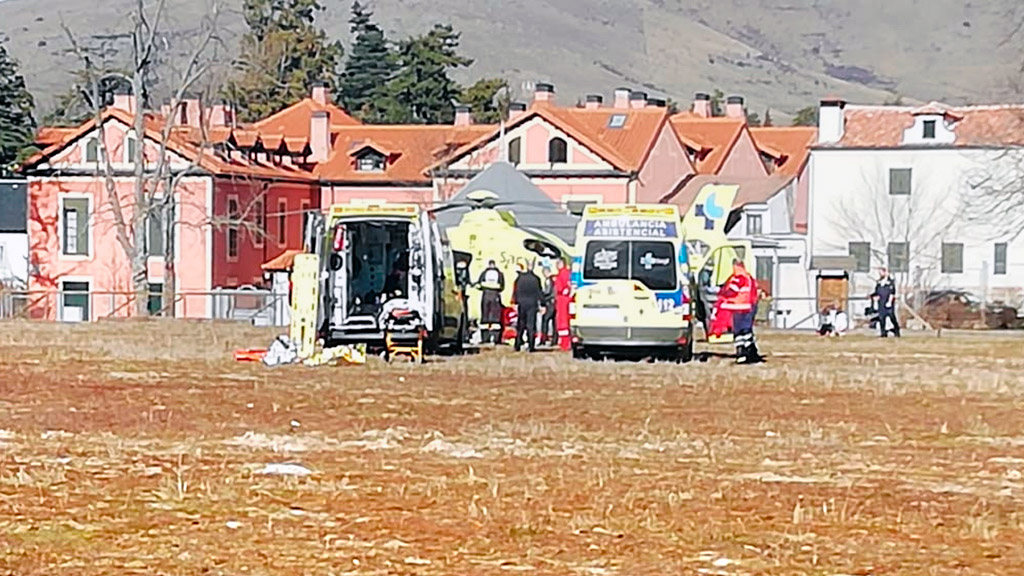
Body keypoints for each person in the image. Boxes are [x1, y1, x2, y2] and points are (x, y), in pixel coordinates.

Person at [718, 259, 762, 364]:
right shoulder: (748, 277)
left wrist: (722, 292)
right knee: (747, 331)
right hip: (748, 307)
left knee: (739, 332)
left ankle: (742, 353)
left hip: (738, 308)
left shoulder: (738, 277)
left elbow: (732, 290)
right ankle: (751, 352)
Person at [512, 262, 543, 352]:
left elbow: (516, 291)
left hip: (522, 304)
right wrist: (542, 304)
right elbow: (539, 292)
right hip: (532, 304)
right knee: (531, 325)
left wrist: (515, 302)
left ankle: (517, 344)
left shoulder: (520, 279)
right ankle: (531, 345)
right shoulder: (536, 279)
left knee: (520, 324)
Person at [476, 260, 505, 344]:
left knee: (485, 317)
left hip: (486, 296)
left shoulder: (484, 273)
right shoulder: (499, 274)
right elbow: (502, 286)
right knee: (495, 318)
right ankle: (496, 337)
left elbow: (479, 284)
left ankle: (485, 338)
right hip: (495, 296)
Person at [871, 267, 901, 338]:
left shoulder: (890, 282)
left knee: (892, 317)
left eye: (881, 272)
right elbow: (877, 291)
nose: (880, 274)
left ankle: (896, 330)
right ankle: (883, 333)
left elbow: (892, 292)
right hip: (881, 303)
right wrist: (874, 296)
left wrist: (889, 302)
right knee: (882, 318)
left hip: (888, 302)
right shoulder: (879, 282)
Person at [553, 259, 572, 351]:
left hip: (562, 301)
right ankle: (566, 341)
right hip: (566, 300)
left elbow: (560, 287)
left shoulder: (562, 274)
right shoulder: (567, 273)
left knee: (562, 321)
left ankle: (565, 342)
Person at [540, 267, 557, 345]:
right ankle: (555, 339)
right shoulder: (555, 279)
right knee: (554, 322)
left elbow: (548, 291)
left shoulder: (549, 280)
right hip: (555, 302)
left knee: (545, 320)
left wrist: (541, 295)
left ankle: (544, 338)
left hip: (550, 303)